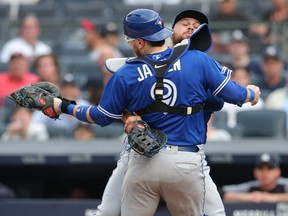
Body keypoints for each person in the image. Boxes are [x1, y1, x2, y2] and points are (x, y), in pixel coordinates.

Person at [45, 8, 260, 215]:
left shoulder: (125, 73)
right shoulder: (197, 60)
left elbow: (101, 117)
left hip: (142, 162)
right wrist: (250, 93)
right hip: (185, 160)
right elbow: (233, 96)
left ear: (139, 41)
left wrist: (64, 106)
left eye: (130, 41)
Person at [97, 9, 227, 216]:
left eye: (196, 24)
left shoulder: (201, 65)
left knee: (216, 213)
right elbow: (117, 102)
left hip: (186, 151)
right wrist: (127, 114)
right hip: (140, 153)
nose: (191, 26)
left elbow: (219, 102)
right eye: (185, 22)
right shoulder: (139, 64)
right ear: (168, 31)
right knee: (106, 212)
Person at [221, 153, 288, 203]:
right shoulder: (251, 187)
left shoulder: (284, 185)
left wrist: (270, 198)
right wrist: (250, 197)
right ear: (255, 172)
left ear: (277, 172)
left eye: (269, 169)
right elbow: (221, 192)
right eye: (261, 169)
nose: (265, 173)